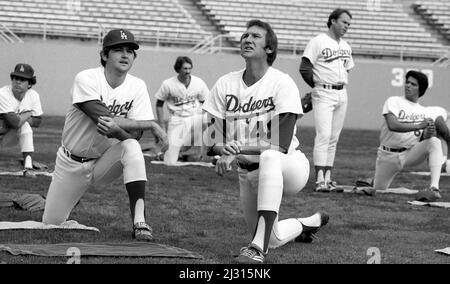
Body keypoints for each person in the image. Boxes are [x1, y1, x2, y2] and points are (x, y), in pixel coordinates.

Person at [203, 19, 328, 264]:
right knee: (273, 236)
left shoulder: (282, 83)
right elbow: (211, 140)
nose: (247, 39)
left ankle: (257, 249)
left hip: (288, 165)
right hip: (247, 172)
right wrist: (222, 149)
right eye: (245, 35)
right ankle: (310, 222)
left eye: (255, 37)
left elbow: (279, 144)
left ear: (269, 48)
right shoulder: (225, 83)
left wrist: (234, 151)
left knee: (270, 156)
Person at [42, 29, 168, 241]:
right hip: (70, 163)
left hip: (103, 162)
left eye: (130, 50)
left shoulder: (137, 85)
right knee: (51, 223)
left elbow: (134, 135)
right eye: (118, 50)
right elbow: (102, 118)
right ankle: (70, 198)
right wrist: (152, 125)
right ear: (104, 55)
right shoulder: (86, 78)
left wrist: (121, 131)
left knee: (132, 147)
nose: (125, 55)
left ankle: (140, 222)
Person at [299, 8, 354, 192]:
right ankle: (319, 179)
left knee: (334, 138)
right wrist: (315, 87)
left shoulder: (346, 46)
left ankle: (328, 177)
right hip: (323, 91)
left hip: (341, 92)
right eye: (344, 22)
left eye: (348, 24)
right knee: (323, 136)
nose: (347, 26)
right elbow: (305, 68)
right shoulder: (318, 41)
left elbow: (347, 69)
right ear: (332, 21)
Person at [370, 71, 443, 201]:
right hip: (388, 156)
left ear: (421, 89)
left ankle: (434, 188)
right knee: (379, 189)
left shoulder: (422, 110)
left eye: (413, 84)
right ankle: (372, 182)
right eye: (407, 82)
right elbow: (393, 125)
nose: (408, 85)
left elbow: (419, 137)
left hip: (409, 153)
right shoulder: (393, 101)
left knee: (434, 141)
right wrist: (419, 126)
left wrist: (428, 134)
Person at [155, 56, 209, 165]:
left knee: (210, 120)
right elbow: (159, 104)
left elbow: (206, 102)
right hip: (177, 119)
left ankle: (211, 154)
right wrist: (161, 125)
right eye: (185, 68)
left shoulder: (198, 82)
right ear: (178, 69)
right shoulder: (168, 84)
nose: (188, 71)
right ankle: (166, 153)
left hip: (195, 116)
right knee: (170, 161)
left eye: (189, 68)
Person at [0, 63, 43, 172]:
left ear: (29, 84)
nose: (18, 81)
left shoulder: (33, 95)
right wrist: (28, 113)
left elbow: (38, 121)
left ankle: (28, 163)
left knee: (25, 126)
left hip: (8, 134)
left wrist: (20, 118)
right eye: (15, 78)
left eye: (22, 79)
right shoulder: (3, 94)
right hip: (2, 132)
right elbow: (14, 122)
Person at [426, 106, 450, 173]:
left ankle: (445, 163)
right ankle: (441, 163)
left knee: (444, 139)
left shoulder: (440, 121)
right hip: (433, 117)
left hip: (438, 116)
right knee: (434, 142)